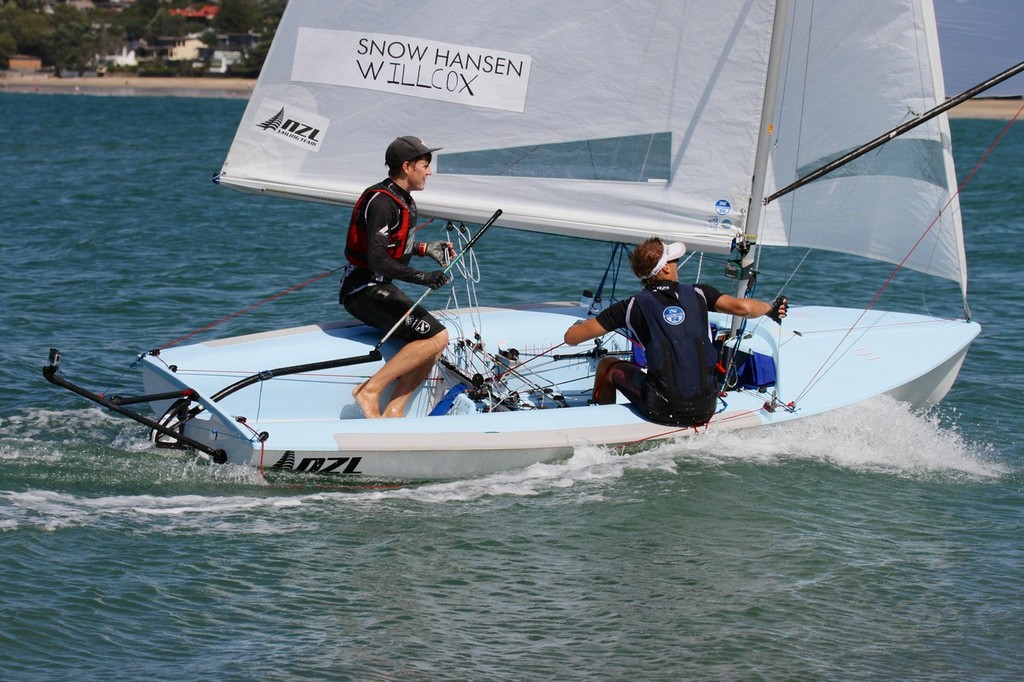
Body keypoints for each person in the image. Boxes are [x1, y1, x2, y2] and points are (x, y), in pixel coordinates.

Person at [563, 237, 788, 426]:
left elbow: (571, 339)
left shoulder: (631, 306)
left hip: (662, 408)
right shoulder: (701, 293)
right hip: (706, 407)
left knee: (607, 365)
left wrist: (576, 328)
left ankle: (603, 424)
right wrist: (770, 307)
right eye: (675, 260)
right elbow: (745, 308)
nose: (677, 264)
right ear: (666, 268)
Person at [340, 135, 455, 418]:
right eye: (425, 165)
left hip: (378, 288)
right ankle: (369, 390)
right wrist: (423, 277)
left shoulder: (401, 199)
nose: (429, 171)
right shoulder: (381, 202)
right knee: (437, 338)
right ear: (407, 167)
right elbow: (377, 259)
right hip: (363, 291)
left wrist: (424, 249)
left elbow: (393, 245)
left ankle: (395, 408)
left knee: (433, 346)